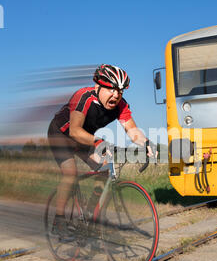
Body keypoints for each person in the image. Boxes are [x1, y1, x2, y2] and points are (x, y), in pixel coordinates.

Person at [47, 64, 157, 241]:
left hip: (84, 138)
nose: (116, 95)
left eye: (120, 91)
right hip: (61, 134)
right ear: (97, 87)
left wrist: (146, 143)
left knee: (105, 168)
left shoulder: (120, 105)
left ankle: (91, 215)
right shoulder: (83, 96)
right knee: (71, 174)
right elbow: (75, 131)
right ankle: (58, 221)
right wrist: (100, 142)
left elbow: (132, 129)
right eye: (111, 89)